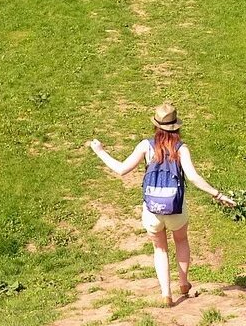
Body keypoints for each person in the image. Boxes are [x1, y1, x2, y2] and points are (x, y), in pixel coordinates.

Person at [88, 103, 236, 307]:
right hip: (176, 207)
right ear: (176, 127)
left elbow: (122, 170)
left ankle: (166, 294)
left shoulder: (145, 146)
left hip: (152, 209)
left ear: (156, 126)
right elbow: (192, 177)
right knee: (181, 241)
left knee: (160, 249)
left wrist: (100, 151)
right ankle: (183, 284)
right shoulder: (181, 148)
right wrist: (218, 194)